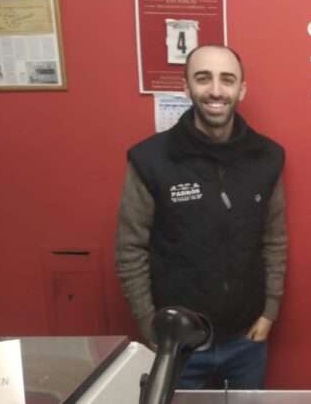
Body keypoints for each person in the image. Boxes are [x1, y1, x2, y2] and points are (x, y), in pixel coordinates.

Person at [115, 44, 286, 389]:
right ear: (186, 87)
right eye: (203, 78)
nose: (216, 91)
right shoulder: (151, 159)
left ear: (241, 89)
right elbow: (130, 249)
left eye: (227, 79)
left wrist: (270, 310)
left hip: (246, 342)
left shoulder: (268, 156)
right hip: (178, 344)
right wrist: (152, 327)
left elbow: (274, 239)